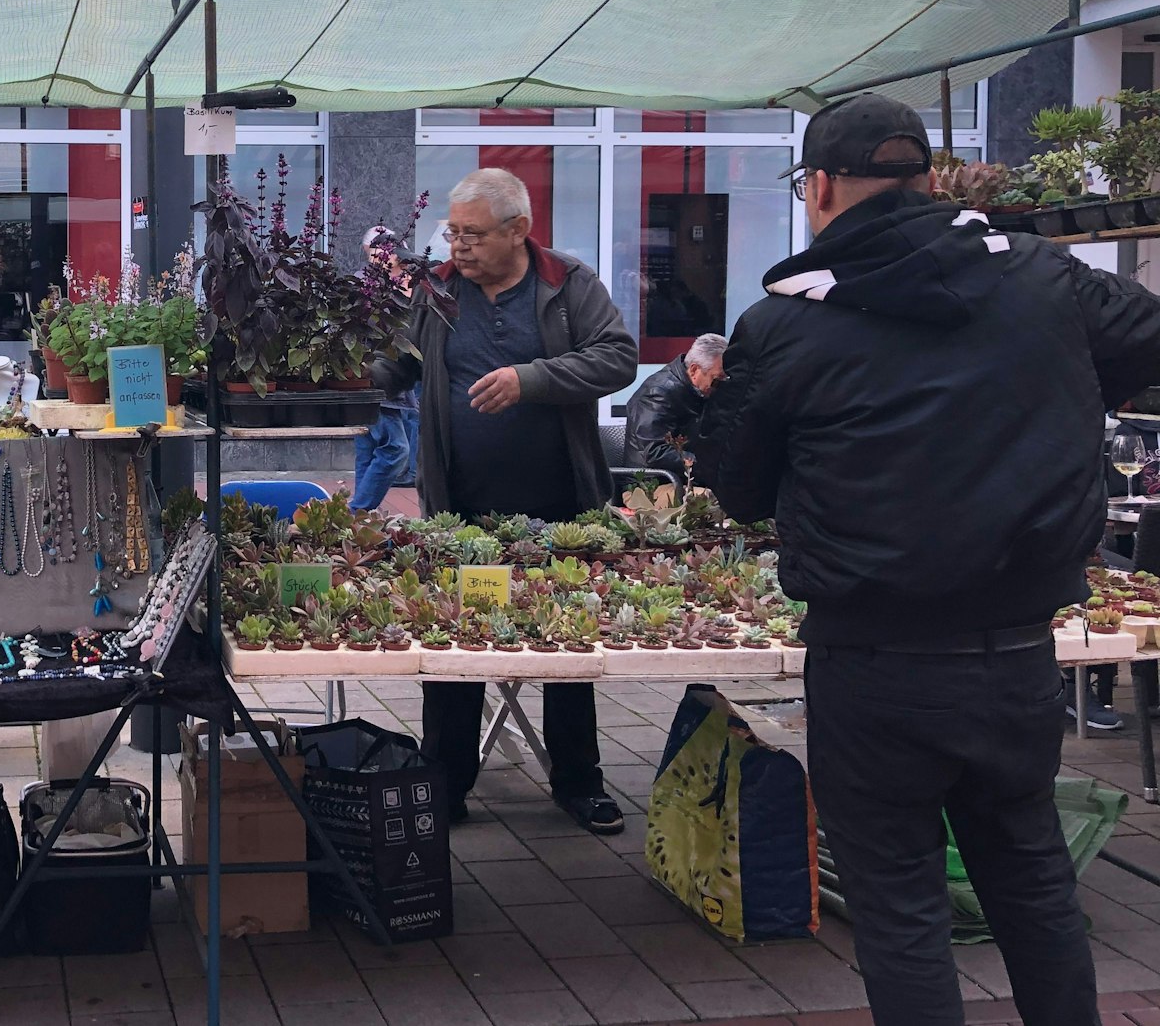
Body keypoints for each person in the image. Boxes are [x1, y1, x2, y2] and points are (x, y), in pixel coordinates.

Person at [695, 93, 1160, 1026]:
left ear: (820, 188)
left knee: (902, 909)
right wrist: (1046, 391)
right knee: (1032, 884)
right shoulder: (1046, 281)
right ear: (930, 180)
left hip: (874, 661)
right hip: (1018, 652)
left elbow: (736, 488)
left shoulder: (785, 324)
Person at [372, 168, 637, 832]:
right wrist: (321, 364)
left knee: (565, 650)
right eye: (453, 231)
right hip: (463, 513)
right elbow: (394, 364)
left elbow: (618, 357)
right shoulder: (436, 291)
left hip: (560, 512)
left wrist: (533, 379)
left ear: (519, 231)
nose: (457, 246)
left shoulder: (567, 284)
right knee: (459, 648)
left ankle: (579, 782)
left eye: (474, 234)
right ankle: (447, 782)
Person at [352, 226, 419, 511]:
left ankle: (358, 518)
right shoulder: (365, 286)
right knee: (395, 449)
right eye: (394, 262)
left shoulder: (405, 286)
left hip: (387, 378)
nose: (400, 268)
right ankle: (360, 511)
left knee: (368, 448)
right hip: (373, 377)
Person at [623, 332, 726, 478]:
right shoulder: (658, 393)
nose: (719, 387)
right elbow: (653, 452)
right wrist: (707, 463)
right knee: (719, 498)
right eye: (716, 380)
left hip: (686, 478)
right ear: (694, 369)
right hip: (651, 484)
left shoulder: (700, 392)